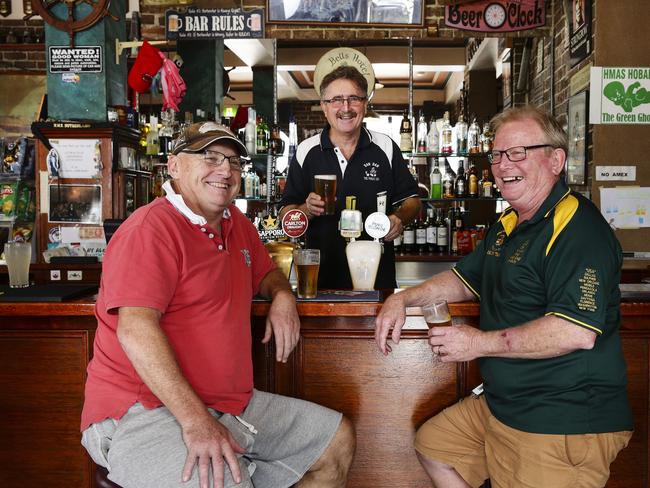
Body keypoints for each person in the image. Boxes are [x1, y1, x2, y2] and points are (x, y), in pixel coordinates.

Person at [80, 122, 355, 488]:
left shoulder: (236, 223)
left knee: (335, 441)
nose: (225, 170)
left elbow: (266, 273)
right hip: (145, 410)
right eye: (210, 158)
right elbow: (135, 329)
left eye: (234, 161)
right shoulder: (150, 229)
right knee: (223, 481)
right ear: (174, 166)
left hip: (230, 404)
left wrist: (283, 295)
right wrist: (197, 422)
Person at [375, 106, 633, 488]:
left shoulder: (579, 230)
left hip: (562, 417)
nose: (501, 165)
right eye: (496, 154)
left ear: (556, 160)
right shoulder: (509, 223)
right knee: (436, 446)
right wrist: (403, 298)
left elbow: (573, 332)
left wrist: (477, 343)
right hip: (506, 404)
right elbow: (464, 280)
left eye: (517, 152)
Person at [280, 60, 421, 289]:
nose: (345, 107)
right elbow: (286, 214)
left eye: (354, 98)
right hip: (321, 281)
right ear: (324, 107)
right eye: (335, 100)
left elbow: (413, 201)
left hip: (377, 281)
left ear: (365, 104)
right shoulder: (307, 150)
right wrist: (307, 209)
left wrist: (399, 218)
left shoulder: (385, 146)